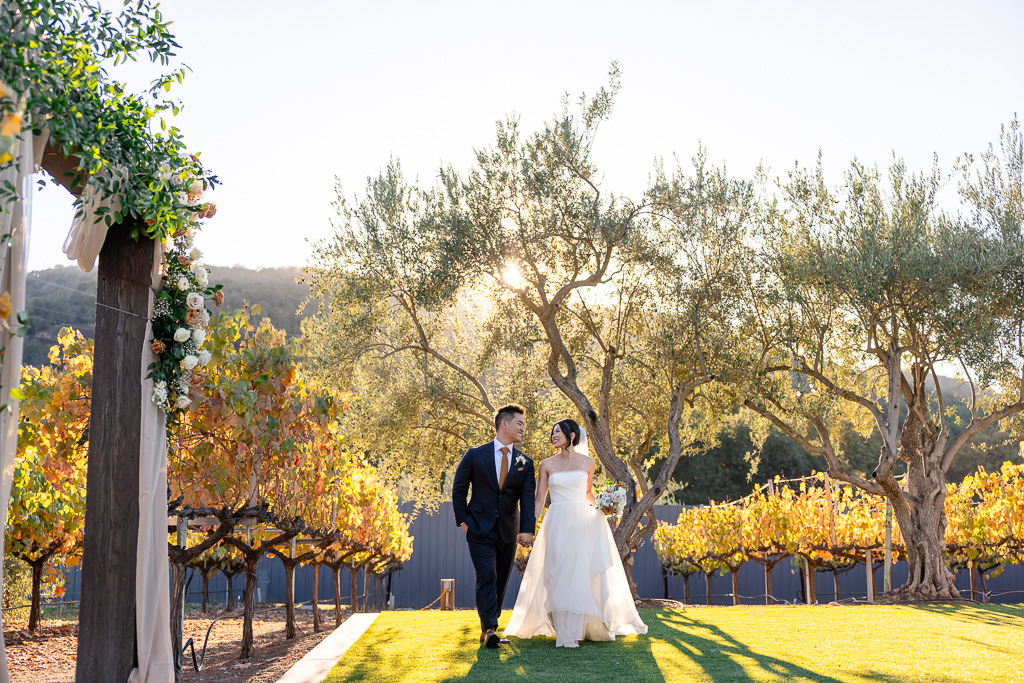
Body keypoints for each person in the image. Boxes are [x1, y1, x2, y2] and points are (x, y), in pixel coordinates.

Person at [503, 418, 648, 648]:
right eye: (552, 432)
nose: (553, 435)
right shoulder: (547, 464)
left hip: (582, 522)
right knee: (556, 572)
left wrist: (605, 507)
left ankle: (572, 633)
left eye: (558, 431)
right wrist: (528, 529)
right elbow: (540, 499)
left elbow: (588, 492)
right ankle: (563, 629)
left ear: (571, 435)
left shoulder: (588, 463)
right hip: (557, 521)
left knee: (578, 574)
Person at [452, 404, 537, 648]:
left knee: (500, 580)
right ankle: (489, 629)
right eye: (519, 423)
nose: (523, 428)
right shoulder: (475, 455)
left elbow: (527, 499)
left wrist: (527, 530)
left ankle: (490, 626)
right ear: (504, 424)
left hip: (508, 531)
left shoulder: (525, 463)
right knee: (487, 575)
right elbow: (459, 490)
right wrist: (464, 522)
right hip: (478, 528)